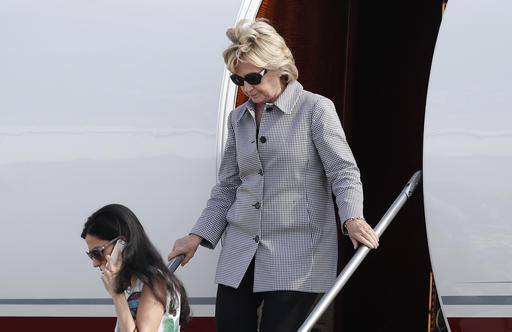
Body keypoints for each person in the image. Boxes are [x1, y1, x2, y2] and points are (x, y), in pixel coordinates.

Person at [168, 19, 379, 332]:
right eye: (238, 80)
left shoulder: (315, 110)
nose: (247, 87)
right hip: (240, 252)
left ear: (280, 68)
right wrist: (196, 236)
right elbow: (228, 186)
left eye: (253, 77)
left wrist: (352, 219)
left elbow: (344, 172)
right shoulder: (237, 119)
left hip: (297, 255)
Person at [82, 204, 190, 332]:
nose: (95, 263)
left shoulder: (154, 282)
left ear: (121, 244)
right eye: (91, 255)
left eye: (97, 253)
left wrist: (117, 294)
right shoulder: (142, 283)